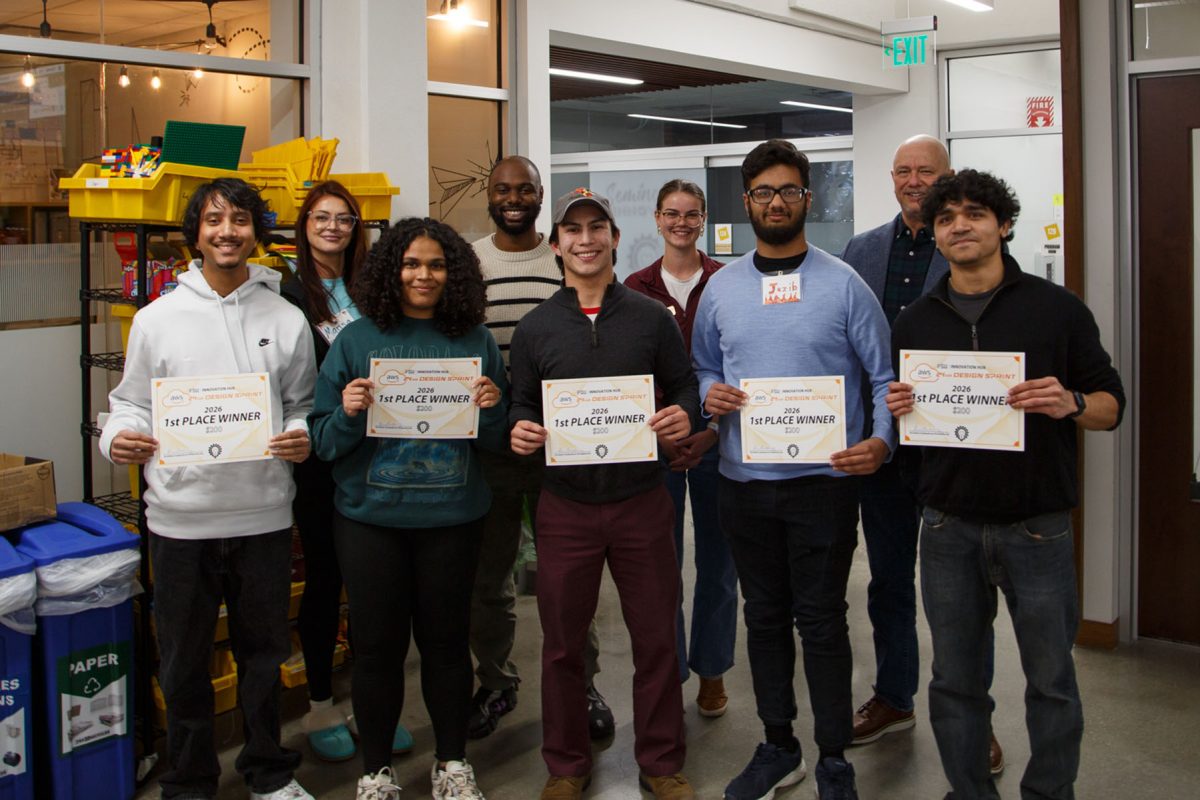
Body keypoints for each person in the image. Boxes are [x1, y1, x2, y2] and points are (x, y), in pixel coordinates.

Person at [885, 169, 1124, 800]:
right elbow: (908, 423)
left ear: (1004, 224)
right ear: (934, 235)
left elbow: (1112, 406)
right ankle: (970, 791)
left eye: (974, 214)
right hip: (946, 527)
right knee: (955, 680)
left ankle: (1049, 793)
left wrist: (1070, 401)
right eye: (945, 219)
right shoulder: (914, 322)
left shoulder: (1057, 309)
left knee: (1051, 680)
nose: (959, 226)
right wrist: (901, 404)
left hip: (1036, 527)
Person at [691, 139, 895, 800]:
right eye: (762, 193)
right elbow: (704, 367)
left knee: (823, 620)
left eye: (787, 191)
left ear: (807, 199)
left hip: (825, 487)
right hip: (743, 486)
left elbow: (884, 375)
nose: (775, 202)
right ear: (746, 202)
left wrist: (883, 442)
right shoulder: (721, 288)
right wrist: (707, 394)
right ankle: (779, 744)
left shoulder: (844, 283)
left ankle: (833, 754)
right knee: (764, 618)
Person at [101, 178, 316, 800]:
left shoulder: (285, 316)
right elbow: (129, 404)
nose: (228, 230)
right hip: (180, 521)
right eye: (214, 219)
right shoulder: (156, 319)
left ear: (256, 230)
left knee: (264, 656)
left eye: (241, 219)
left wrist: (300, 435)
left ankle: (269, 771)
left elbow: (301, 404)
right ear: (195, 232)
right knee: (184, 663)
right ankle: (190, 780)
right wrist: (119, 438)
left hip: (264, 518)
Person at [509, 188, 699, 800]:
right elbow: (520, 403)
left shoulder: (650, 318)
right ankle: (565, 765)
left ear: (615, 237)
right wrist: (520, 429)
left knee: (657, 638)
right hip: (564, 506)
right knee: (562, 645)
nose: (585, 240)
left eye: (597, 228)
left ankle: (661, 760)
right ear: (557, 243)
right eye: (573, 230)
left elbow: (685, 386)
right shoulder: (537, 328)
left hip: (643, 499)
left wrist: (682, 416)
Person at [309, 218, 508, 800]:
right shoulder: (356, 340)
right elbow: (322, 442)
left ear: (456, 274)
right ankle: (376, 771)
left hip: (452, 518)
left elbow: (495, 441)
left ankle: (451, 763)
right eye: (412, 264)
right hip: (370, 520)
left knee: (448, 647)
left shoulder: (475, 342)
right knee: (376, 650)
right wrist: (346, 411)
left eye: (437, 265)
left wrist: (493, 407)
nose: (424, 275)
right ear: (391, 270)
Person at [467, 156, 613, 741]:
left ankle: (585, 682)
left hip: (566, 447)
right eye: (502, 188)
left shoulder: (562, 259)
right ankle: (497, 682)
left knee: (569, 575)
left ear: (539, 194)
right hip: (492, 448)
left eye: (524, 189)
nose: (513, 198)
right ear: (489, 193)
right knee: (490, 578)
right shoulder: (470, 264)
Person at [281, 180, 414, 762]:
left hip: (375, 447)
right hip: (316, 450)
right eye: (321, 217)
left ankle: (369, 706)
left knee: (372, 587)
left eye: (344, 218)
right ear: (304, 223)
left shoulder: (372, 287)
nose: (333, 227)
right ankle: (318, 706)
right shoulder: (284, 292)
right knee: (325, 582)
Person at [838, 134, 956, 743]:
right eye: (904, 171)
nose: (915, 181)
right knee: (888, 578)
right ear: (891, 178)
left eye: (926, 171)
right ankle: (894, 696)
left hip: (952, 447)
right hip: (882, 444)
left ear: (948, 175)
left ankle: (971, 716)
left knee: (957, 590)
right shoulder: (861, 249)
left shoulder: (967, 241)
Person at [623, 179, 738, 716]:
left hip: (718, 438)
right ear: (656, 218)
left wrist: (710, 426)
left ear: (704, 217)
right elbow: (627, 372)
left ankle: (712, 669)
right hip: (658, 441)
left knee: (719, 561)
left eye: (691, 214)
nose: (681, 223)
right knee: (660, 563)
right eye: (672, 213)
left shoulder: (728, 282)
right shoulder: (635, 287)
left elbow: (739, 360)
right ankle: (668, 667)